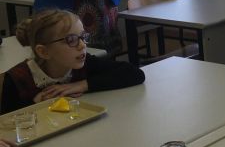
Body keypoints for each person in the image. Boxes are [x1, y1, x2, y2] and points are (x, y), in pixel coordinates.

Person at [1, 10, 145, 113]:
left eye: (82, 37)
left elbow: (134, 73)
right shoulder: (17, 78)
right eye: (71, 40)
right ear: (44, 52)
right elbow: (6, 123)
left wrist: (81, 85)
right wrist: (35, 103)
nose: (82, 45)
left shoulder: (82, 63)